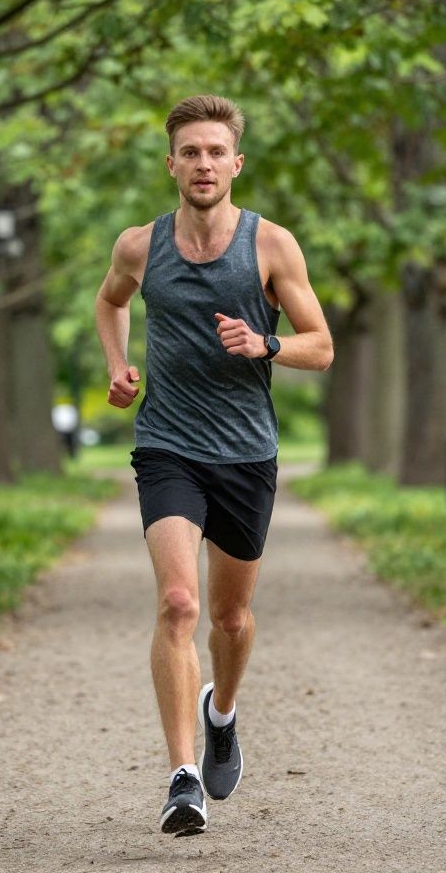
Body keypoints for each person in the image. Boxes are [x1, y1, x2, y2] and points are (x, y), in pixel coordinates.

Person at [94, 94, 333, 837]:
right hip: (167, 445)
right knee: (178, 604)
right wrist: (118, 364)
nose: (202, 164)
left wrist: (265, 346)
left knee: (229, 617)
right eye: (189, 152)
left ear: (236, 163)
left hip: (246, 454)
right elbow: (110, 302)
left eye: (214, 152)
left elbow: (321, 346)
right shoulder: (140, 245)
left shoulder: (271, 246)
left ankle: (221, 712)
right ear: (171, 164)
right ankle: (183, 775)